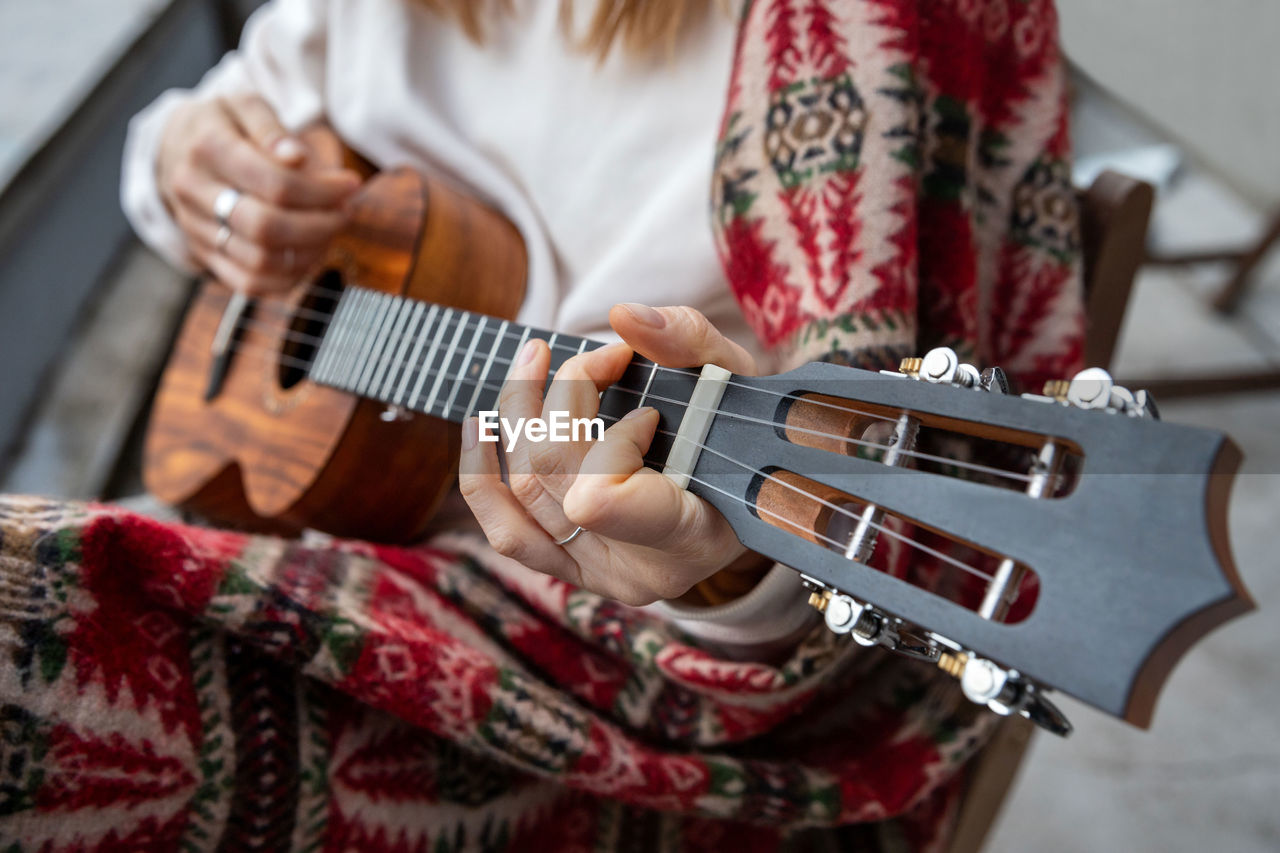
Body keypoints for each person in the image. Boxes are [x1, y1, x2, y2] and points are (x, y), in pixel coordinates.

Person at [0, 0, 1084, 849]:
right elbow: (198, 132)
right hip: (309, 527)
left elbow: (871, 534)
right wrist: (189, 156)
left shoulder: (871, 29)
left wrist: (714, 566)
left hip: (604, 680)